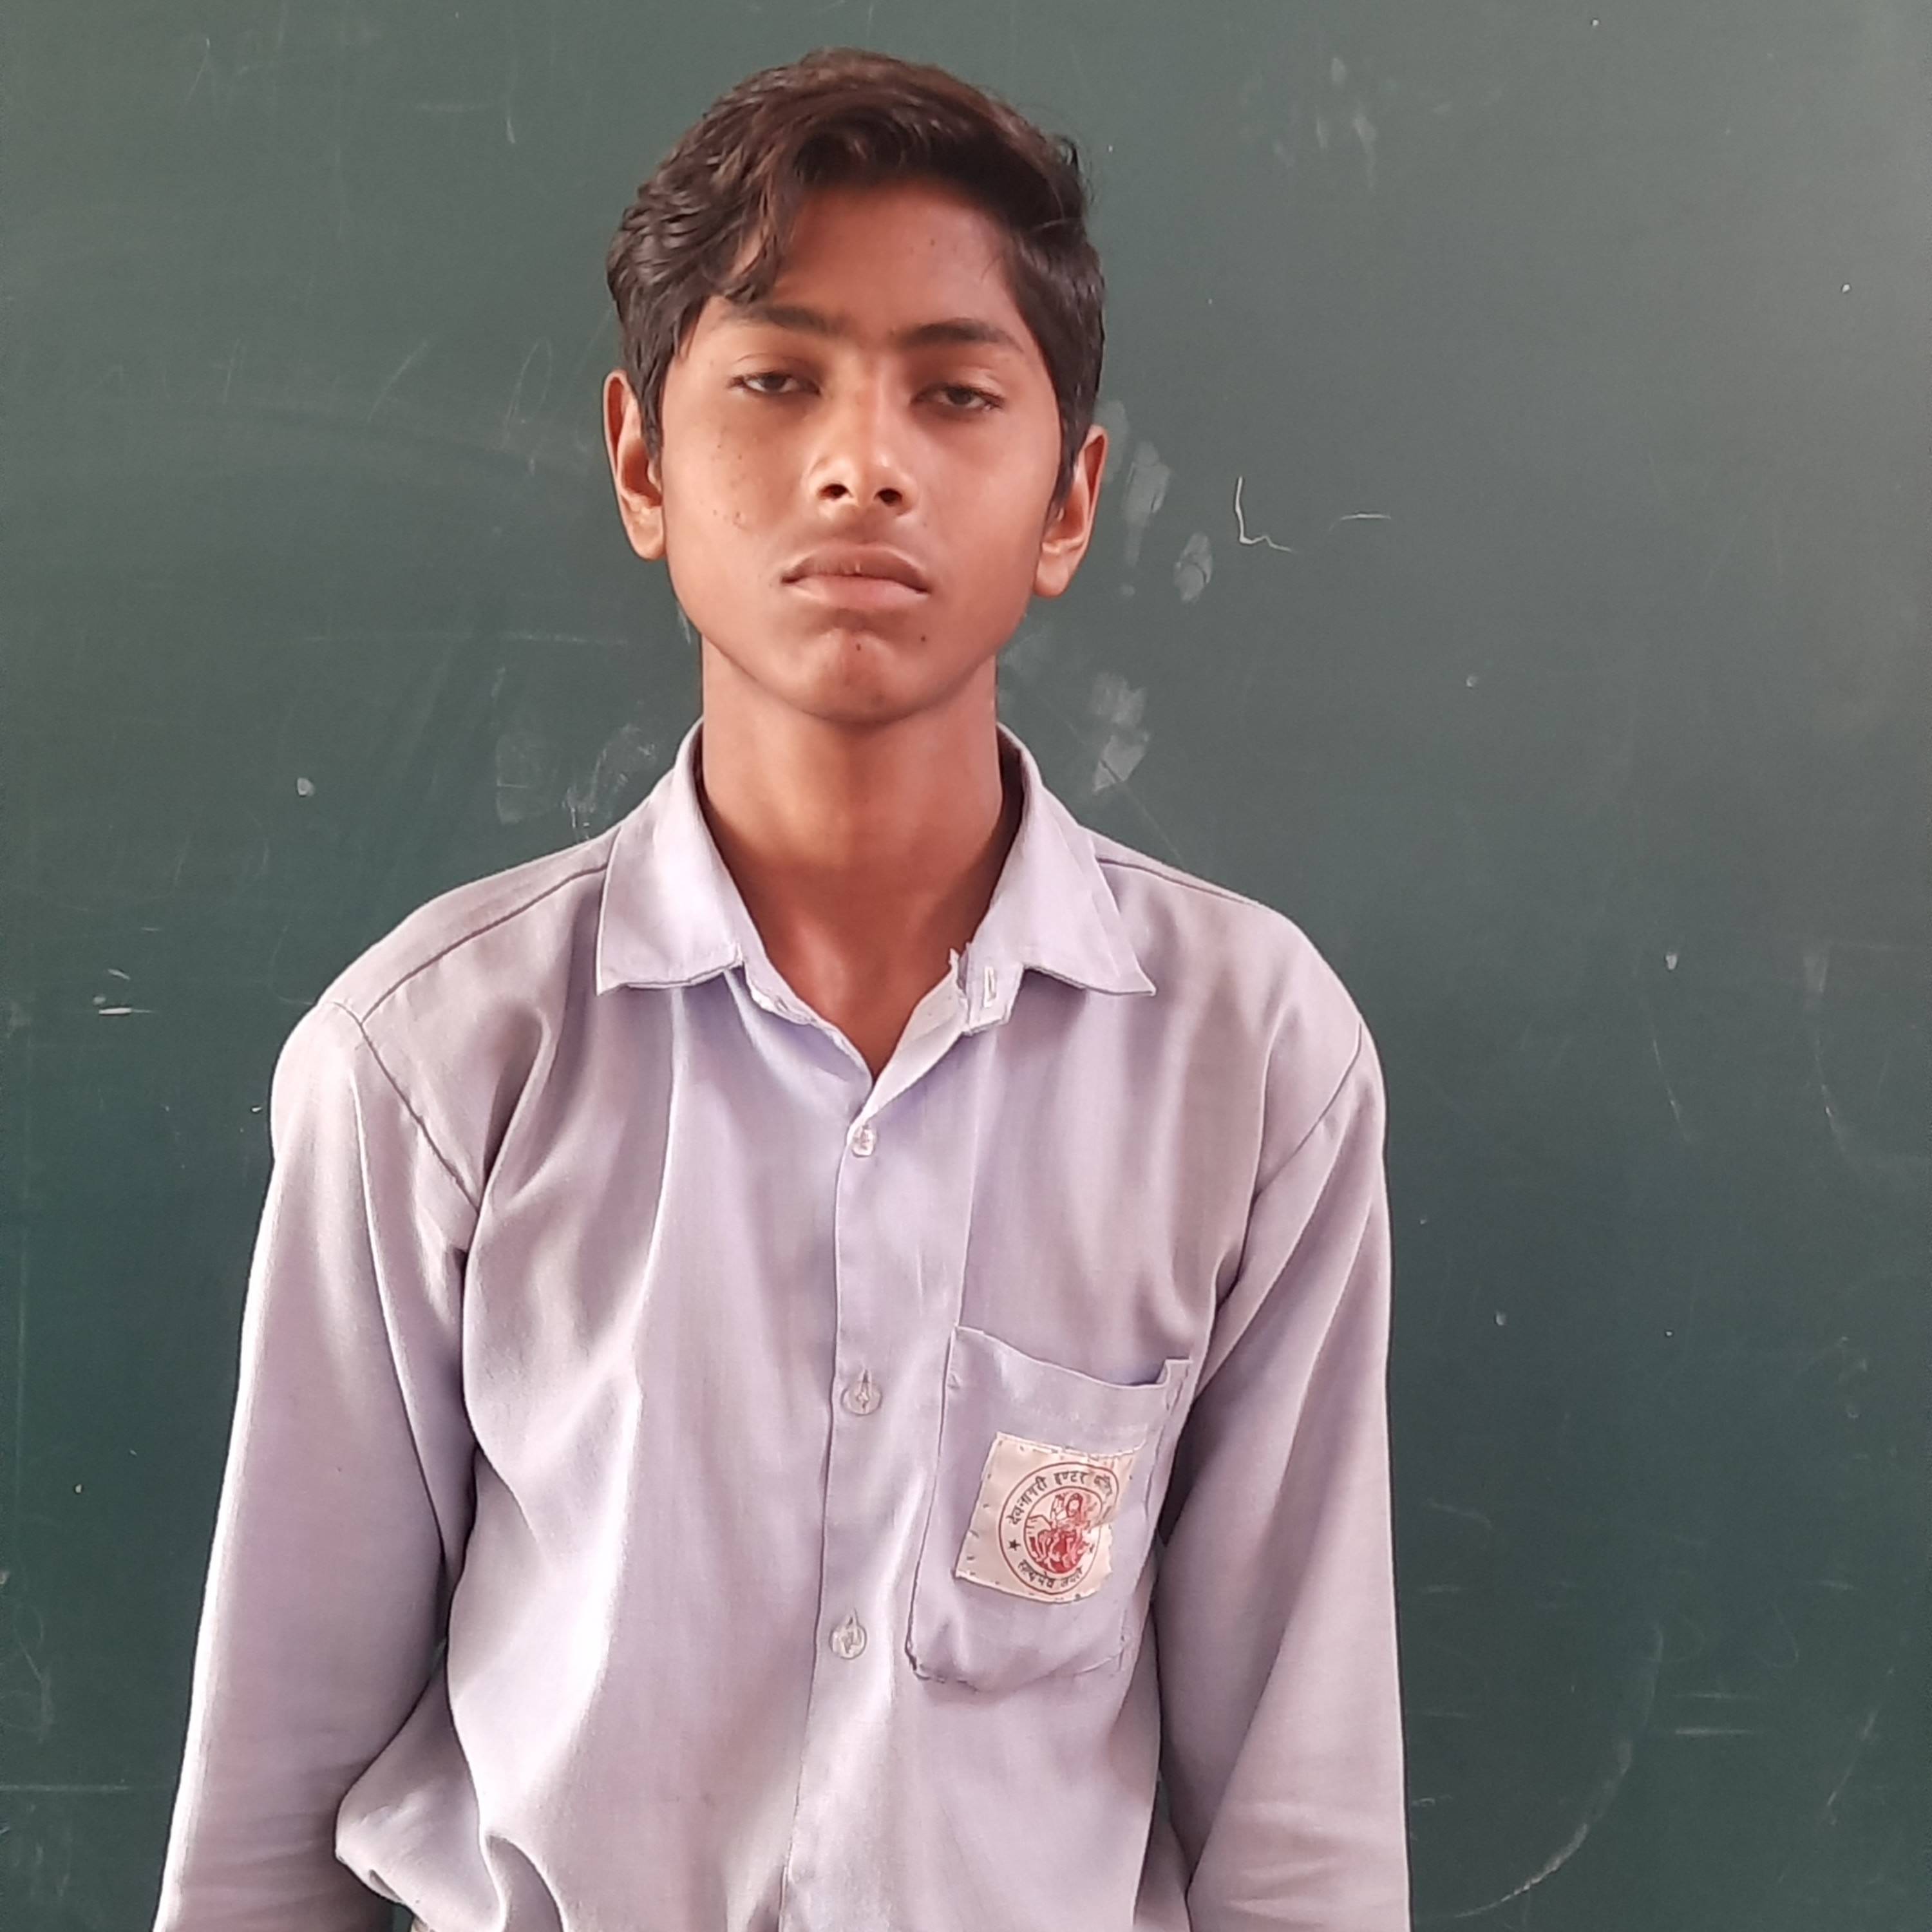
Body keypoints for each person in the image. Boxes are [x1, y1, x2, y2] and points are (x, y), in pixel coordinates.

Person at [152, 46, 1410, 1932]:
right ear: (642, 464)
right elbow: (272, 1814)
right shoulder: (436, 1062)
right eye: (776, 378)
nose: (861, 461)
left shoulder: (1249, 1061)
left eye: (955, 392)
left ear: (1069, 504)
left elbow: (1301, 1830)